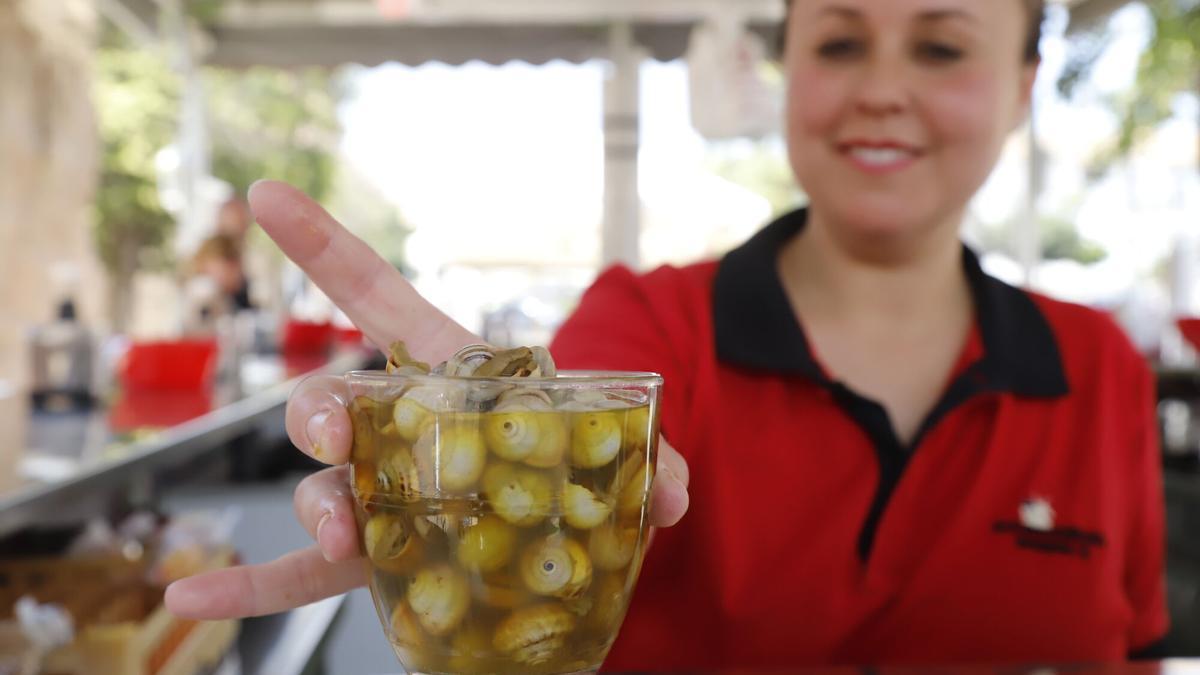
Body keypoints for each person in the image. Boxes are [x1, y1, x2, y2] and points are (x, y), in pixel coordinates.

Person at [164, 0, 1170, 668]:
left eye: (941, 45)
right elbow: (552, 445)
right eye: (838, 41)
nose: (879, 88)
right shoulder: (650, 330)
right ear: (789, 70)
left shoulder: (1101, 369)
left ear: (1025, 79)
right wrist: (465, 467)